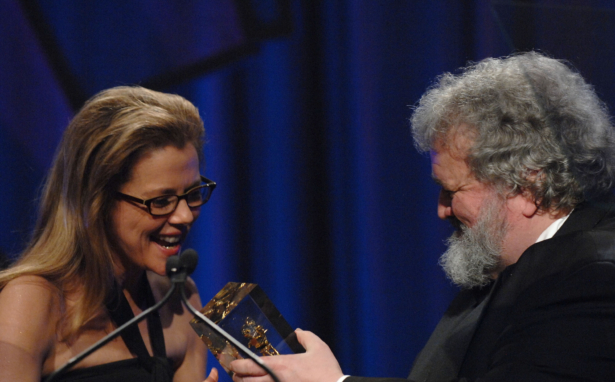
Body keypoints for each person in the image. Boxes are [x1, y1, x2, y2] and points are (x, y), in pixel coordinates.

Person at [228, 52, 615, 381]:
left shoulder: (592, 277)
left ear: (527, 187)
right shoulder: (499, 277)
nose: (441, 210)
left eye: (453, 190)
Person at [0, 86, 219, 382]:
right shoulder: (31, 302)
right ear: (96, 201)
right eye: (161, 201)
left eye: (193, 194)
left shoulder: (180, 300)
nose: (184, 216)